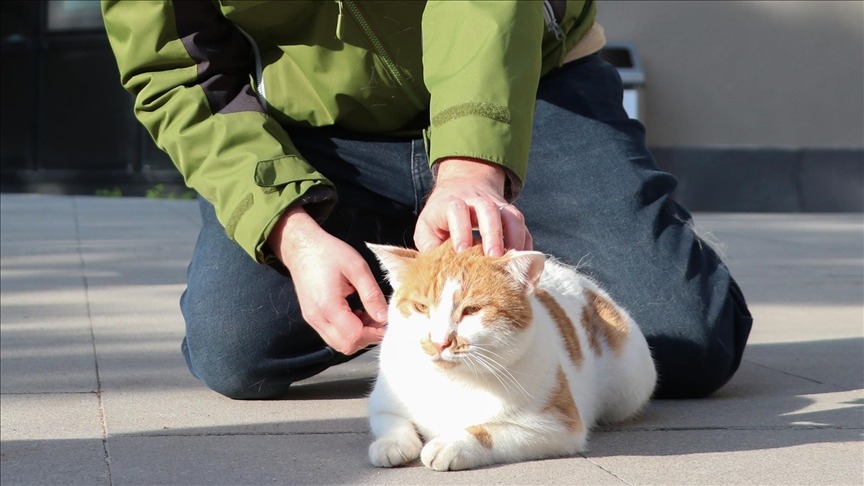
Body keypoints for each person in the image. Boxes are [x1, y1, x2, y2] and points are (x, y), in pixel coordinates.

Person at [102, 0, 752, 400]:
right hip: (315, 134)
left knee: (687, 337)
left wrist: (472, 168)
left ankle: (646, 236)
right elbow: (176, 71)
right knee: (236, 353)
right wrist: (288, 231)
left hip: (528, 90)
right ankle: (408, 241)